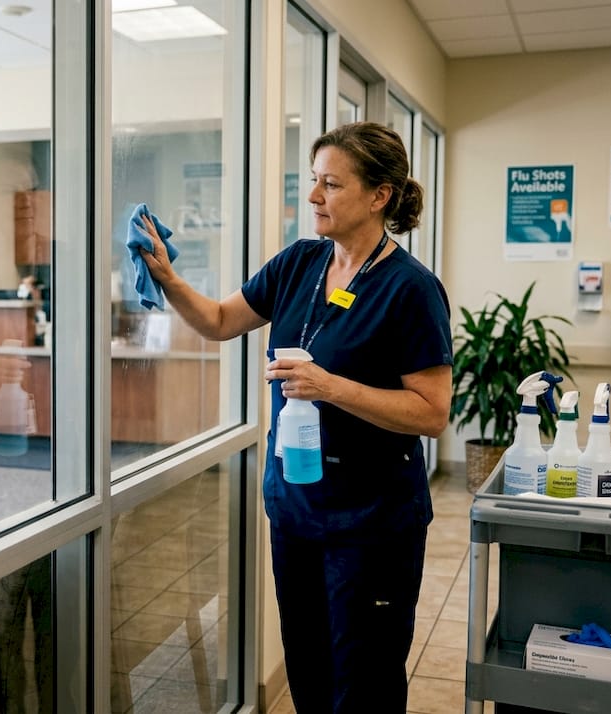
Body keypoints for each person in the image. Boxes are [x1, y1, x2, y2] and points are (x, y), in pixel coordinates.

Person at [138, 121, 452, 712]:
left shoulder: (410, 289)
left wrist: (331, 387)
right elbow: (220, 321)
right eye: (313, 181)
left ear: (379, 196)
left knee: (363, 683)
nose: (312, 197)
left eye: (330, 185)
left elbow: (433, 413)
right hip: (298, 509)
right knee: (309, 669)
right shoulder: (298, 264)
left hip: (372, 522)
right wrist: (168, 277)